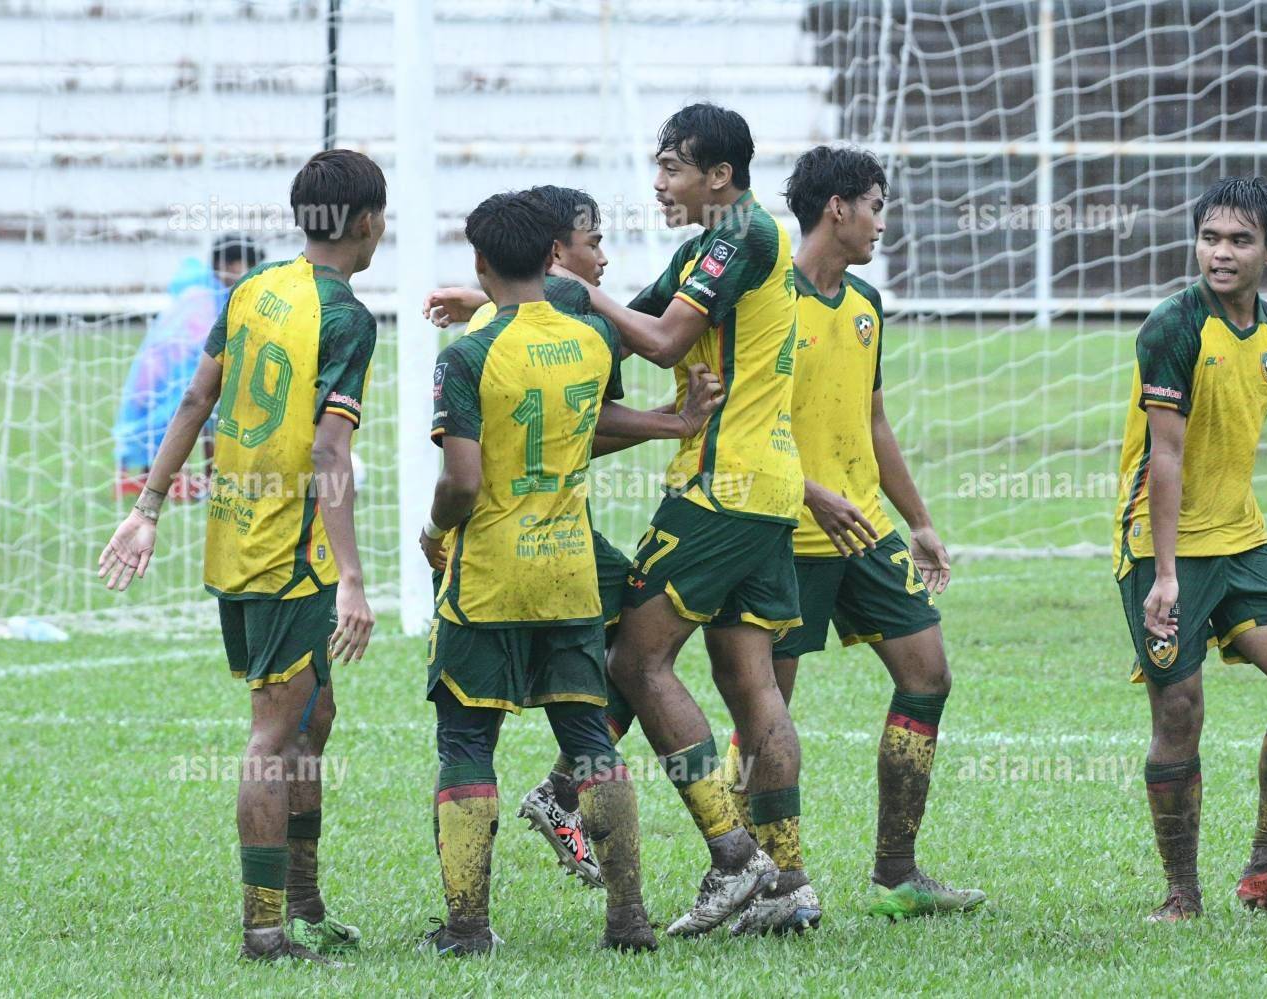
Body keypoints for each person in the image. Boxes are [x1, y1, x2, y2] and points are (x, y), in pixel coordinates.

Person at [98, 149, 384, 963]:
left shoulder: (251, 289)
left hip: (235, 538)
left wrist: (149, 508)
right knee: (273, 734)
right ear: (369, 223)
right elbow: (330, 452)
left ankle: (305, 900)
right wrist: (353, 578)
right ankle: (265, 928)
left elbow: (199, 396)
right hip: (288, 555)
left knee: (314, 716)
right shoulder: (347, 317)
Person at [551, 103, 817, 937]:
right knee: (750, 683)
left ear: (719, 175)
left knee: (637, 657)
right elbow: (618, 329)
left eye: (672, 168)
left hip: (720, 488)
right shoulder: (709, 245)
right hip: (766, 490)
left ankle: (734, 858)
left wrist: (578, 288)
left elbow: (662, 341)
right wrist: (512, 305)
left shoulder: (742, 236)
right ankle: (786, 883)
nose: (659, 184)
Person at [421, 186, 723, 889]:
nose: (605, 257)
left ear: (485, 260)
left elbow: (471, 475)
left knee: (469, 737)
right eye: (594, 242)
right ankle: (633, 905)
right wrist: (674, 422)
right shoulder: (587, 339)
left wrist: (432, 530)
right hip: (565, 560)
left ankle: (469, 922)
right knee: (624, 680)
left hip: (488, 559)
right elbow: (584, 423)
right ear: (554, 253)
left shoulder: (475, 345)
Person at [723, 144, 985, 920]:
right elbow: (737, 424)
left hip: (864, 530)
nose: (881, 222)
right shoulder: (766, 297)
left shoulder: (866, 303)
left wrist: (920, 521)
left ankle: (897, 873)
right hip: (781, 531)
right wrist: (809, 492)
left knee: (928, 675)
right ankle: (757, 874)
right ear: (837, 207)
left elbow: (873, 420)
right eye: (875, 206)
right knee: (765, 714)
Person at [1113, 176, 1267, 922]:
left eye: (1240, 240)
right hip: (1162, 544)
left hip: (1241, 538)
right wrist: (1167, 577)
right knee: (1179, 711)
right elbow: (1169, 455)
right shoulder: (1172, 328)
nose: (1221, 252)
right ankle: (1181, 892)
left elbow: (1235, 437)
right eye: (1210, 237)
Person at [114, 234, 266, 498]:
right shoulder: (204, 296)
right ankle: (170, 481)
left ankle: (201, 479)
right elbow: (196, 342)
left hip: (170, 372)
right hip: (167, 374)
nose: (251, 274)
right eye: (247, 266)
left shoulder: (212, 291)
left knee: (204, 417)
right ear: (226, 265)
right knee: (186, 417)